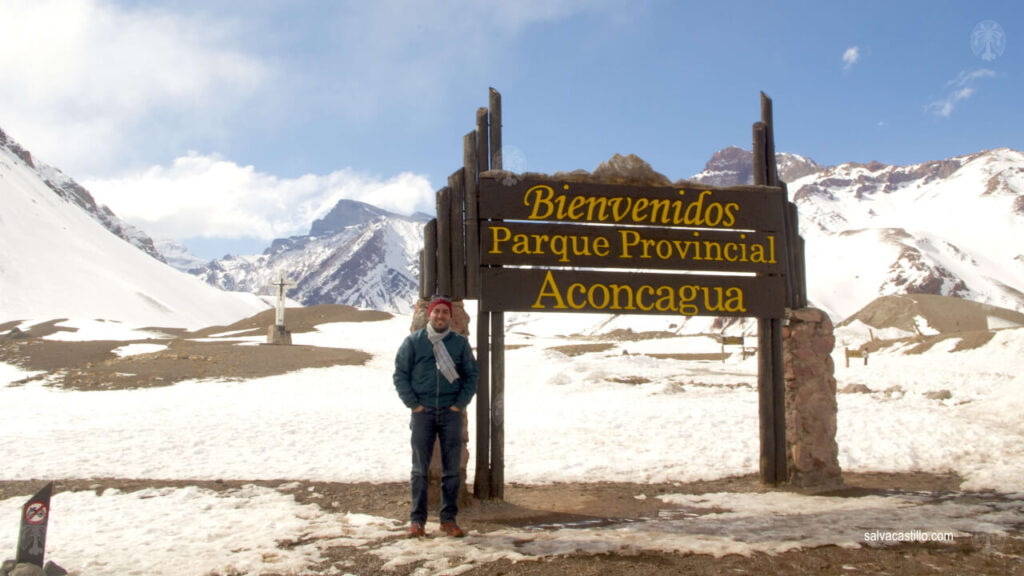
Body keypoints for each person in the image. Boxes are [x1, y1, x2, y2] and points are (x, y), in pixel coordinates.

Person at [393, 296, 478, 538]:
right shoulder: (414, 342)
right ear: (429, 314)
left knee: (451, 469)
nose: (440, 316)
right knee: (419, 469)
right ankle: (417, 520)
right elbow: (400, 374)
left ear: (450, 317)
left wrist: (459, 404)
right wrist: (414, 405)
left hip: (451, 413)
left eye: (444, 312)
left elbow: (471, 375)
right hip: (423, 413)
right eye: (436, 312)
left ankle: (448, 520)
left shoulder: (459, 344)